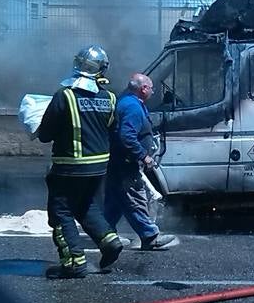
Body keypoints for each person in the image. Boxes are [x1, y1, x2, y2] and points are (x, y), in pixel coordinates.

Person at [36, 45, 124, 279]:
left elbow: (45, 134)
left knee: (61, 211)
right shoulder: (110, 98)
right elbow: (112, 130)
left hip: (69, 166)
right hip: (99, 167)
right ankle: (110, 242)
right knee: (86, 206)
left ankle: (74, 263)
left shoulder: (64, 96)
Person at [105, 73, 178, 252]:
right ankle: (149, 236)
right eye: (151, 88)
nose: (153, 91)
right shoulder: (132, 107)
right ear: (143, 88)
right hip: (126, 162)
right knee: (134, 198)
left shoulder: (129, 102)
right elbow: (127, 136)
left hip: (118, 161)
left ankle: (105, 235)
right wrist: (143, 155)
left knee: (116, 200)